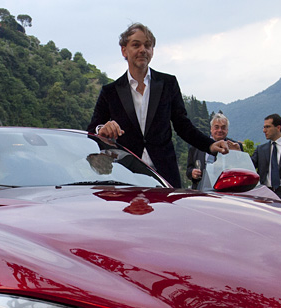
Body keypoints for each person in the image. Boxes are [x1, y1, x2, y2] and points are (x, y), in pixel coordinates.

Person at [87, 23, 230, 188]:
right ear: (124, 50)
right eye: (136, 45)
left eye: (148, 45)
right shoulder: (110, 91)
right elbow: (92, 131)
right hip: (126, 175)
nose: (143, 50)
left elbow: (182, 125)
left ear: (152, 51)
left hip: (164, 175)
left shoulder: (168, 84)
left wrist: (209, 145)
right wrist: (101, 130)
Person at [187, 112, 241, 185]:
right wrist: (192, 173)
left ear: (227, 130)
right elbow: (189, 169)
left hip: (227, 189)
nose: (220, 130)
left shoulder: (235, 146)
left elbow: (242, 169)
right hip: (201, 190)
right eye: (216, 127)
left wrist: (237, 153)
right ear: (211, 129)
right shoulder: (197, 146)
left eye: (223, 127)